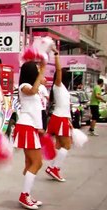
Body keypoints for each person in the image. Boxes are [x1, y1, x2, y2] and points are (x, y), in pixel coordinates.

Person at [13, 60, 45, 210]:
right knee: (37, 163)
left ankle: (27, 194)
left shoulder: (34, 88)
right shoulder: (23, 86)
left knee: (30, 164)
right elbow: (32, 91)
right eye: (36, 70)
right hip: (26, 127)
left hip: (30, 127)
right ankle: (24, 195)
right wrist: (43, 70)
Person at [45, 49, 72, 182]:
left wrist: (70, 121)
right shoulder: (58, 85)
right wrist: (56, 56)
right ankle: (54, 168)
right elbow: (59, 70)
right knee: (67, 145)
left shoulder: (63, 89)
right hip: (60, 118)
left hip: (62, 118)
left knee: (61, 145)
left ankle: (53, 167)